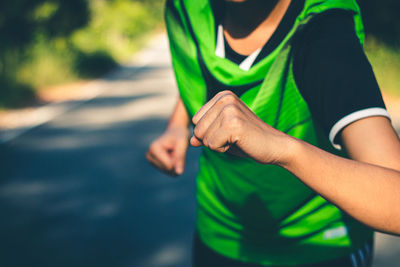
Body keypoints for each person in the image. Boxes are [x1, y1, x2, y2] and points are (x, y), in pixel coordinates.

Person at [146, 0, 400, 266]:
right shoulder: (187, 7)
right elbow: (200, 59)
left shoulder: (323, 32)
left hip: (318, 246)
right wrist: (178, 124)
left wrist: (283, 149)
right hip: (219, 233)